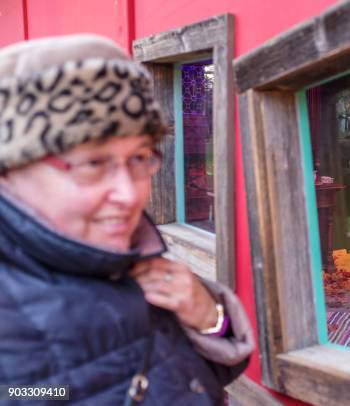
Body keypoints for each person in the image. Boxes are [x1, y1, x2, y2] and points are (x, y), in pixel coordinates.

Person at [0, 35, 253, 405]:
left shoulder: (125, 257)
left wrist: (208, 317)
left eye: (139, 158)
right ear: (10, 173)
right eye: (92, 163)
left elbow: (196, 380)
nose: (130, 194)